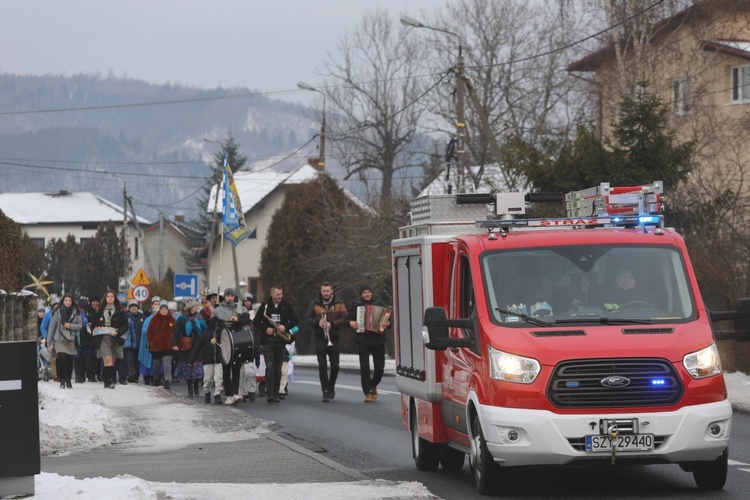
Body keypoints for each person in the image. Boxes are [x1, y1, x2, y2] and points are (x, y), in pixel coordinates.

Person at [253, 286, 298, 404]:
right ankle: (269, 393)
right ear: (272, 294)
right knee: (270, 367)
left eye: (281, 294)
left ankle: (276, 393)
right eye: (278, 294)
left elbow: (295, 321)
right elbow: (256, 322)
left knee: (278, 369)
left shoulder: (286, 305)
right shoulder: (265, 306)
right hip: (268, 341)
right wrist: (266, 328)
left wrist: (285, 327)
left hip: (281, 340)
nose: (280, 296)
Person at [305, 282, 347, 402]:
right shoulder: (315, 303)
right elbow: (307, 318)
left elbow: (345, 318)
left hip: (334, 337)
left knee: (335, 366)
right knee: (322, 366)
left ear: (332, 291)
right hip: (320, 338)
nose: (326, 293)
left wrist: (332, 323)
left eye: (328, 291)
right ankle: (325, 391)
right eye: (324, 291)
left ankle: (331, 385)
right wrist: (317, 322)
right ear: (321, 291)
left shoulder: (339, 302)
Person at [347, 285, 390, 403]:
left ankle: (373, 385)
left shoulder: (379, 303)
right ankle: (367, 392)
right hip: (363, 339)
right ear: (361, 294)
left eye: (369, 292)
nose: (367, 294)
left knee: (380, 368)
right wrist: (351, 323)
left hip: (378, 339)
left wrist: (387, 324)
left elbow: (387, 319)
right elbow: (347, 320)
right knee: (364, 367)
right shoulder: (356, 306)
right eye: (364, 292)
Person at [212, 288, 247, 405]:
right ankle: (228, 395)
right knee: (226, 370)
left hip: (236, 342)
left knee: (236, 369)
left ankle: (235, 394)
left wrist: (238, 318)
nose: (230, 298)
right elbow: (212, 326)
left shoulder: (239, 308)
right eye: (228, 295)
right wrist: (213, 338)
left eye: (232, 295)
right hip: (223, 343)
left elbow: (247, 319)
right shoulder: (217, 310)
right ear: (224, 296)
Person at [189, 300, 227, 405]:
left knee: (219, 379)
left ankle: (217, 395)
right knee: (207, 379)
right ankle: (207, 393)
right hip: (208, 360)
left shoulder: (222, 334)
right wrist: (191, 360)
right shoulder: (206, 334)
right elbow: (197, 347)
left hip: (219, 359)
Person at [89, 290, 129, 389]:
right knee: (107, 358)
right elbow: (92, 324)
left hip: (115, 337)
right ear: (105, 298)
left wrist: (118, 332)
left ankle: (109, 379)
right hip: (103, 337)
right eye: (108, 296)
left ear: (115, 298)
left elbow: (125, 326)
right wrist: (96, 328)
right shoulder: (99, 311)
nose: (110, 298)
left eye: (112, 296)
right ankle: (109, 381)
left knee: (113, 359)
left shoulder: (120, 311)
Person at [48, 293, 83, 389]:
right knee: (62, 359)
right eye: (66, 300)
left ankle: (68, 380)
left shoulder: (76, 312)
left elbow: (80, 325)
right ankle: (62, 380)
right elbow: (52, 326)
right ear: (63, 301)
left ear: (72, 302)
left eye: (70, 301)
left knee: (69, 360)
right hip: (59, 339)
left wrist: (70, 326)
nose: (68, 303)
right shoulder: (57, 311)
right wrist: (49, 340)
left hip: (71, 339)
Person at [172, 298, 205, 398]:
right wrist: (175, 344)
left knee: (197, 368)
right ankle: (189, 387)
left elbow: (203, 330)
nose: (197, 308)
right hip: (186, 346)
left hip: (197, 346)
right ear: (190, 307)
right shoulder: (181, 318)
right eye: (195, 306)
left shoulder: (198, 318)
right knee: (187, 369)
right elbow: (176, 332)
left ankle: (196, 385)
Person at [147, 300, 176, 389]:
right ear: (159, 310)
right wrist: (152, 341)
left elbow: (176, 332)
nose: (164, 311)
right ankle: (156, 379)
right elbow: (149, 332)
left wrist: (174, 343)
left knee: (167, 363)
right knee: (157, 364)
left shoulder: (172, 320)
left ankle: (167, 380)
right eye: (162, 309)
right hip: (156, 345)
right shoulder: (154, 320)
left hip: (168, 345)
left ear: (168, 310)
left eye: (165, 309)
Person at [119, 300, 143, 385]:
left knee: (137, 361)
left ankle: (136, 375)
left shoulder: (142, 317)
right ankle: (131, 376)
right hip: (128, 343)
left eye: (135, 306)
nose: (134, 308)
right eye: (132, 306)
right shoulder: (127, 317)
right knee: (129, 361)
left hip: (139, 342)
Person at [74, 297, 95, 383]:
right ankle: (79, 376)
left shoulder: (90, 314)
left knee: (89, 360)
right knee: (79, 360)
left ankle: (90, 376)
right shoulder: (75, 315)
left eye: (84, 308)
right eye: (80, 307)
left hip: (88, 340)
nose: (82, 309)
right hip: (78, 340)